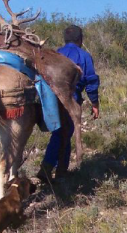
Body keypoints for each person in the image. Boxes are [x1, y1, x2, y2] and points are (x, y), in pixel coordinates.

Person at [37, 25, 100, 183]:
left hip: (48, 97)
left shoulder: (55, 54)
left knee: (62, 131)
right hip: (70, 97)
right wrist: (95, 103)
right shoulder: (83, 55)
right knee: (63, 131)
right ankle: (49, 166)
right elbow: (91, 80)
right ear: (81, 40)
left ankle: (60, 169)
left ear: (65, 40)